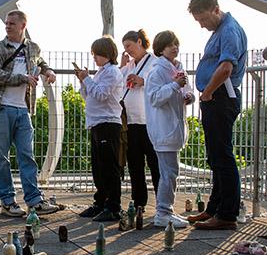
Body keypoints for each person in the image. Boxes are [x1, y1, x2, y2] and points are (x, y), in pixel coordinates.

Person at [0, 11, 60, 217]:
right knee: (1, 157)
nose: (7, 26)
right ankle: (7, 201)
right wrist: (22, 78)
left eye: (11, 24)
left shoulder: (32, 47)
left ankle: (34, 200)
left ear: (23, 26)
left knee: (27, 154)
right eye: (6, 24)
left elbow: (40, 61)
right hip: (0, 106)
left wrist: (48, 71)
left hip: (22, 108)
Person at [187, 0, 247, 230]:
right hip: (215, 96)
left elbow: (225, 67)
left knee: (222, 156)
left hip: (221, 96)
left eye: (202, 19)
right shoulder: (220, 31)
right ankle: (214, 208)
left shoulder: (230, 30)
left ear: (215, 9)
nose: (202, 25)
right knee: (216, 156)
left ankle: (227, 214)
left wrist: (208, 91)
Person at [144, 30, 194, 229]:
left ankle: (166, 210)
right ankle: (163, 212)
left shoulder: (178, 69)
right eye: (169, 44)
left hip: (174, 129)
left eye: (176, 43)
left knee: (171, 172)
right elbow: (154, 98)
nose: (175, 47)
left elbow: (186, 92)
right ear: (160, 48)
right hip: (164, 129)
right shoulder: (157, 71)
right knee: (168, 173)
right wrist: (174, 85)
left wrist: (189, 96)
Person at [75, 36, 125, 222]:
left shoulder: (112, 72)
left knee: (108, 166)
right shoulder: (100, 73)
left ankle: (113, 206)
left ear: (107, 54)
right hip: (96, 123)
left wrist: (87, 79)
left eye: (97, 54)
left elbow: (102, 94)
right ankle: (101, 201)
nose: (94, 57)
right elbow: (87, 95)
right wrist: (84, 81)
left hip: (108, 122)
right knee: (98, 166)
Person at [120, 29, 160, 210]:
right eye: (125, 48)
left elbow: (161, 82)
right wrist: (122, 66)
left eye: (129, 45)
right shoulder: (129, 65)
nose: (127, 50)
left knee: (155, 163)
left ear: (139, 41)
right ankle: (139, 202)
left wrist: (142, 81)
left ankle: (163, 201)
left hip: (149, 120)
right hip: (132, 121)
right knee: (135, 164)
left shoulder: (155, 62)